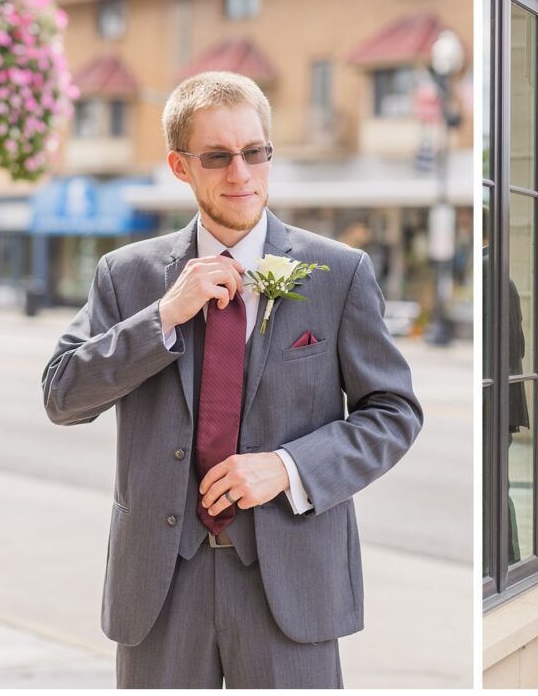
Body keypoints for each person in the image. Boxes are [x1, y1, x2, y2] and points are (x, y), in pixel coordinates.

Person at [41, 71, 423, 687]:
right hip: (159, 590)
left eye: (254, 152)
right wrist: (162, 315)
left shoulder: (340, 273)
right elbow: (62, 395)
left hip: (291, 588)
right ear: (180, 165)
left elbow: (395, 412)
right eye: (217, 157)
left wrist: (288, 467)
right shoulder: (126, 277)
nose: (240, 173)